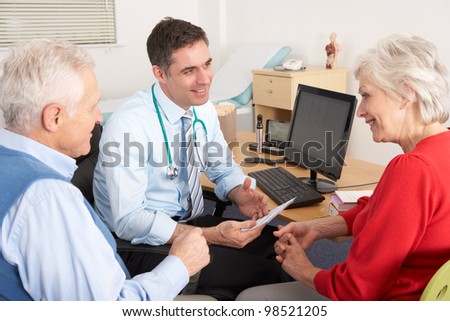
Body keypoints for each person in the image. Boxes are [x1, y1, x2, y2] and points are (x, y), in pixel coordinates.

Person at [236, 33, 450, 301]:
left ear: (405, 94)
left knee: (250, 300)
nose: (360, 111)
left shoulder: (413, 169)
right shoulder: (441, 150)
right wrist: (317, 228)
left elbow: (356, 289)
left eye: (366, 95)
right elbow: (379, 211)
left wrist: (303, 269)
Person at [93, 17, 290, 299]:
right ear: (160, 74)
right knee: (264, 272)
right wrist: (211, 236)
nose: (205, 79)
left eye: (207, 64)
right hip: (139, 244)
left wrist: (238, 193)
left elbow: (221, 166)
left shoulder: (202, 108)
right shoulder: (129, 126)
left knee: (279, 244)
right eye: (189, 70)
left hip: (190, 223)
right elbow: (129, 220)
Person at [0, 38, 210, 300]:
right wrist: (181, 263)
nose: (99, 118)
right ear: (54, 117)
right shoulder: (48, 199)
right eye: (91, 107)